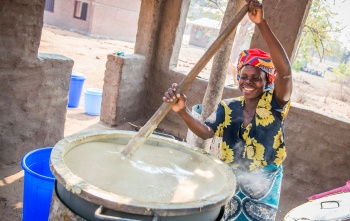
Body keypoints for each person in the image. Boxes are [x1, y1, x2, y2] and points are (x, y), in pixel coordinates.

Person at [162, 0, 292, 220]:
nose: (248, 82)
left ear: (267, 80)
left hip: (264, 184)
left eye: (255, 78)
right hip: (230, 179)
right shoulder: (228, 107)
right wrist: (182, 110)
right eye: (243, 77)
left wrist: (261, 24)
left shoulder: (276, 104)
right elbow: (205, 132)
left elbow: (286, 73)